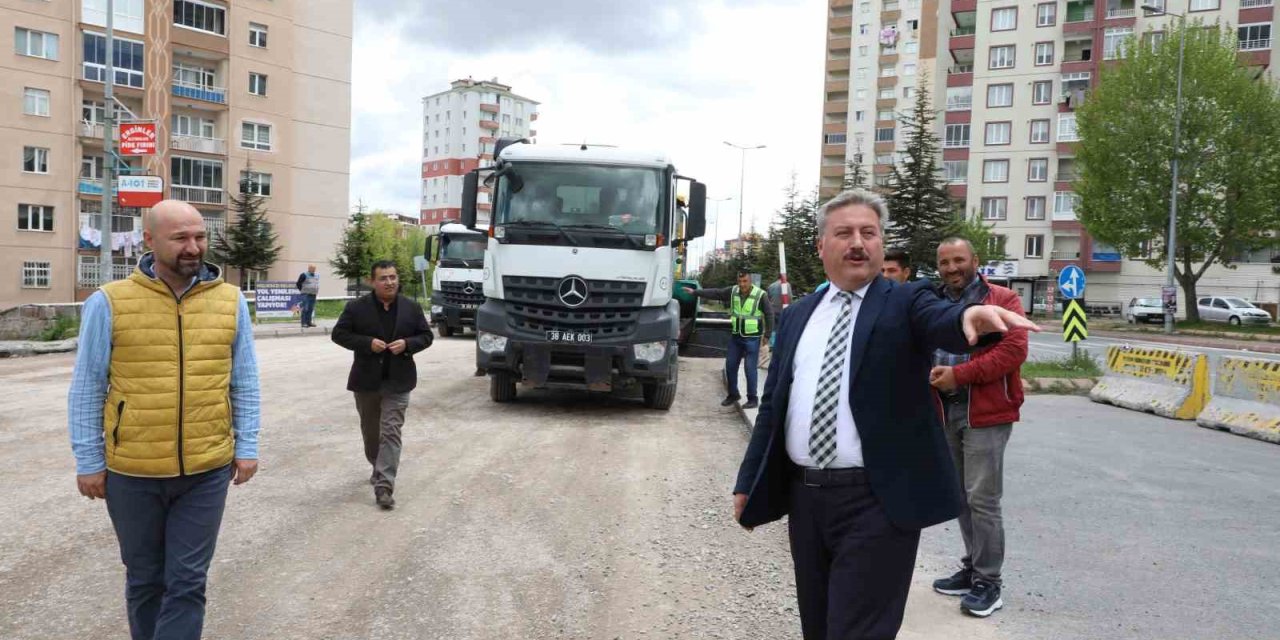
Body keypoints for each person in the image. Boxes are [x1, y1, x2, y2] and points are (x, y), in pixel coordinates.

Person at [731, 189, 1038, 639]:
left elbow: (941, 317)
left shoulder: (905, 301)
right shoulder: (799, 314)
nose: (858, 242)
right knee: (817, 626)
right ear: (821, 246)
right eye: (844, 233)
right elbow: (776, 403)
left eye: (869, 233)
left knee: (858, 631)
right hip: (807, 500)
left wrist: (968, 316)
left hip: (875, 502)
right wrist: (748, 480)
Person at [67, 199, 261, 640]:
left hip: (206, 470)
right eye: (180, 238)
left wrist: (246, 446)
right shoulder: (109, 302)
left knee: (188, 581)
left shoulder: (230, 301)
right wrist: (88, 459)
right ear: (149, 241)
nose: (193, 247)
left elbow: (244, 381)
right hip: (132, 472)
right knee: (145, 578)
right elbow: (87, 387)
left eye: (199, 237)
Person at [928, 238, 1028, 618]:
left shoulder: (1002, 299)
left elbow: (1014, 350)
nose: (952, 268)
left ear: (975, 261)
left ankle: (990, 582)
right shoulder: (934, 300)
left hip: (985, 411)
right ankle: (972, 568)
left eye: (958, 260)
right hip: (942, 410)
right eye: (944, 262)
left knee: (983, 499)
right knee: (960, 496)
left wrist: (960, 375)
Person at [332, 260, 434, 510]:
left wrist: (408, 344)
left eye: (393, 277)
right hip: (366, 381)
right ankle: (377, 465)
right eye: (383, 278)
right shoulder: (357, 308)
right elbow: (339, 334)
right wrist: (367, 343)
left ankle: (384, 485)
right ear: (372, 281)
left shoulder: (411, 307)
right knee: (371, 432)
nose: (389, 282)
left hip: (399, 382)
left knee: (391, 431)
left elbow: (426, 336)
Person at [684, 272, 774, 409]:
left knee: (750, 369)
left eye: (745, 281)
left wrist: (767, 335)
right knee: (730, 366)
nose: (742, 284)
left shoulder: (760, 295)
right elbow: (716, 293)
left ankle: (752, 398)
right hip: (736, 336)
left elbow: (769, 314)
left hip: (752, 338)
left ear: (750, 281)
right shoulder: (733, 291)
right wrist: (696, 292)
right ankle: (733, 394)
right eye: (740, 281)